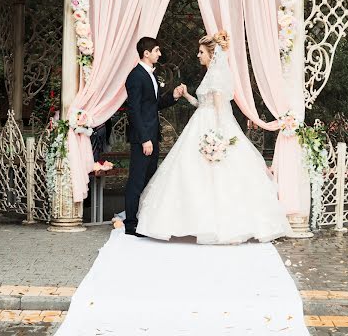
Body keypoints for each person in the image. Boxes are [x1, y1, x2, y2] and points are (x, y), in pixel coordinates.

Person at [136, 30, 292, 244]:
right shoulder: (210, 74)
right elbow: (203, 104)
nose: (198, 55)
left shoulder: (216, 76)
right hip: (201, 121)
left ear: (211, 54)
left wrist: (217, 137)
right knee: (191, 172)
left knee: (214, 174)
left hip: (210, 128)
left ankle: (219, 225)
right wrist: (187, 95)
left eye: (201, 52)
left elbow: (219, 109)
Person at [124, 36, 184, 236]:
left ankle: (144, 220)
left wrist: (173, 96)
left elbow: (154, 104)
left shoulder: (151, 75)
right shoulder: (135, 76)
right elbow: (133, 111)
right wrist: (144, 139)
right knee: (137, 180)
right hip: (144, 138)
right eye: (157, 50)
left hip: (152, 136)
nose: (160, 53)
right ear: (146, 53)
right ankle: (131, 224)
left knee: (149, 179)